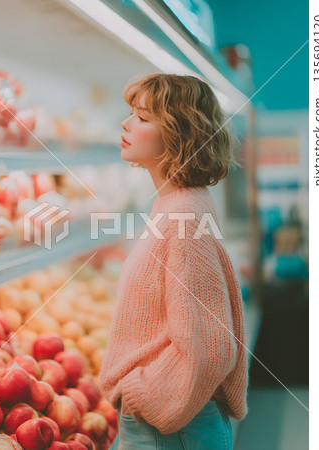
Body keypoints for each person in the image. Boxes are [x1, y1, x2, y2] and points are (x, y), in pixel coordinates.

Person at [98, 73, 249, 449]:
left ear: (179, 134)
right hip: (169, 424)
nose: (126, 123)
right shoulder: (175, 205)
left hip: (172, 429)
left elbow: (212, 346)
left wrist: (146, 391)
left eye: (143, 118)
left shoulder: (183, 216)